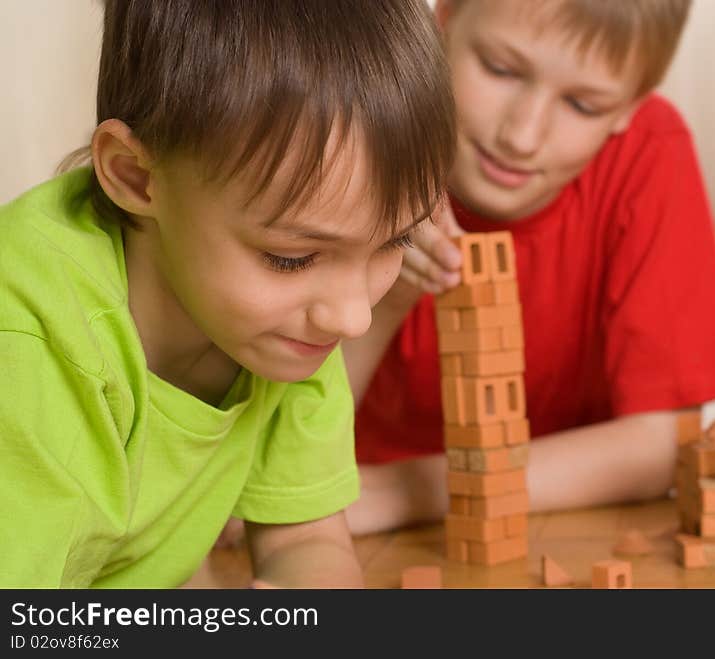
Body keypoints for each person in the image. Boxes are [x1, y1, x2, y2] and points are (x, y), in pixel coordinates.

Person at [0, 0, 455, 587]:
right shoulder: (30, 345)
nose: (353, 316)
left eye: (396, 239)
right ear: (136, 176)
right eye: (291, 258)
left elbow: (307, 538)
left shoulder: (292, 324)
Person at [343, 0, 715, 535]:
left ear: (631, 106)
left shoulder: (649, 152)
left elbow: (664, 443)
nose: (522, 137)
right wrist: (389, 293)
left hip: (552, 514)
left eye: (583, 104)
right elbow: (273, 439)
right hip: (343, 501)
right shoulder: (353, 130)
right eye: (501, 69)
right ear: (442, 22)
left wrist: (410, 490)